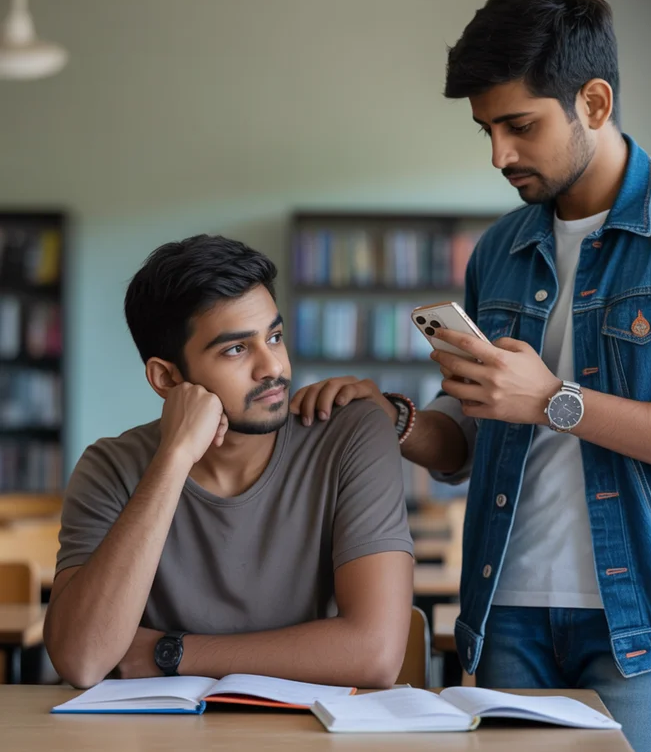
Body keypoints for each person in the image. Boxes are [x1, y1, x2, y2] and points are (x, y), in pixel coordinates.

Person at [290, 0, 651, 752]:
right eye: (486, 129)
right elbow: (470, 444)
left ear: (593, 101)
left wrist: (557, 400)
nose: (498, 154)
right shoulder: (500, 250)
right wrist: (399, 423)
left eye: (519, 126)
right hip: (507, 613)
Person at [44, 234, 414, 689]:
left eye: (274, 337)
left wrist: (169, 652)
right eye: (236, 349)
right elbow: (83, 660)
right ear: (168, 378)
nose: (272, 367)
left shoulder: (350, 433)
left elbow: (374, 654)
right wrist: (174, 457)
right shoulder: (110, 466)